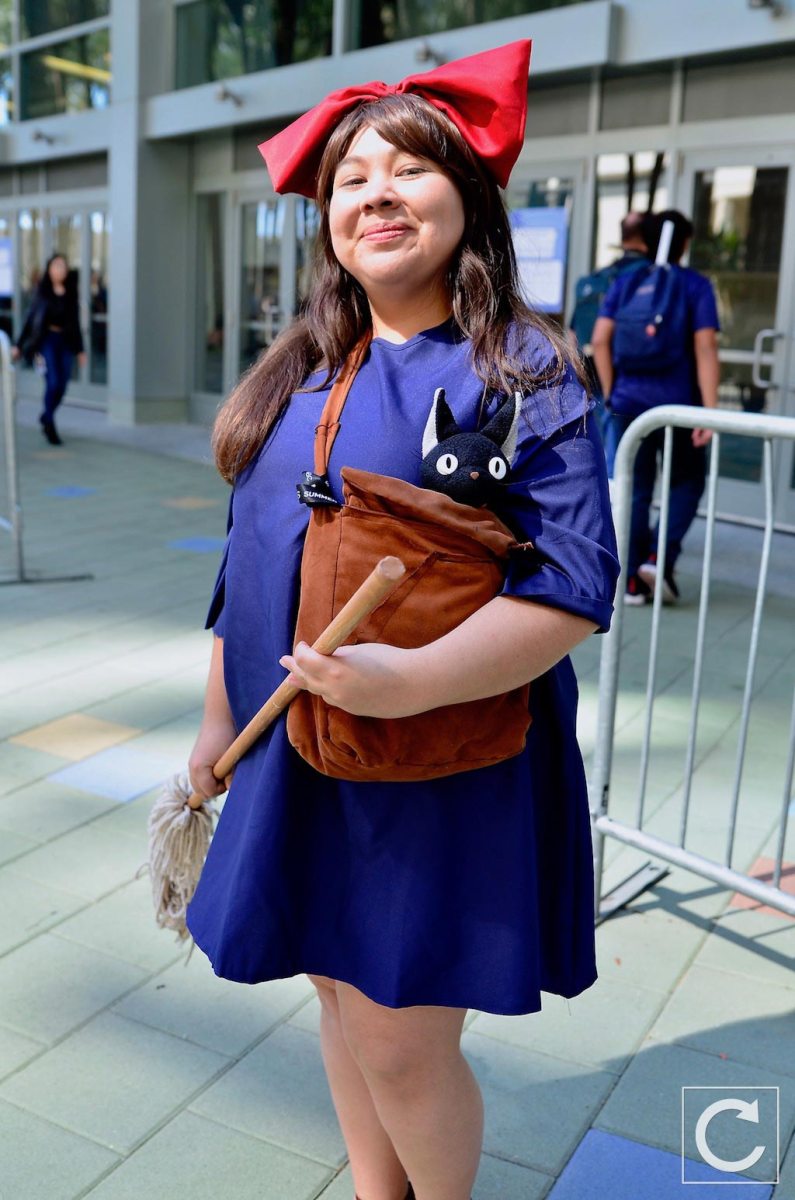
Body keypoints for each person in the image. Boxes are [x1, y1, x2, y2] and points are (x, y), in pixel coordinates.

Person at [185, 41, 619, 1200]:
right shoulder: (302, 370)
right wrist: (215, 721)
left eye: (406, 169)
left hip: (436, 762)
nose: (375, 194)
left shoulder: (521, 368)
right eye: (350, 179)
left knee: (399, 1036)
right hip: (293, 744)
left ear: (467, 196)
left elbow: (577, 579)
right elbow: (247, 567)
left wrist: (416, 681)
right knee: (333, 988)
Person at [591, 210, 720, 605]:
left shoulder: (627, 283)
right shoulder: (695, 285)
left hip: (631, 404)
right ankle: (657, 562)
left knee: (635, 490)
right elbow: (705, 347)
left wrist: (613, 394)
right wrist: (711, 410)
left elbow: (599, 340)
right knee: (686, 482)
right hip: (681, 407)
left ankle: (630, 580)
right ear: (685, 243)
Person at [567, 211, 650, 411]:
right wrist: (610, 389)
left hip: (590, 377)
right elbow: (600, 340)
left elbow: (572, 334)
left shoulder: (598, 278)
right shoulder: (648, 278)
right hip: (627, 385)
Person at [11, 253, 86, 445]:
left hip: (66, 341)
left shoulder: (70, 293)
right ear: (49, 269)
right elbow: (30, 320)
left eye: (63, 266)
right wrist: (19, 345)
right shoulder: (42, 292)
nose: (60, 270)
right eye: (56, 266)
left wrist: (80, 350)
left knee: (62, 384)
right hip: (45, 342)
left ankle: (46, 415)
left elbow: (75, 322)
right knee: (52, 381)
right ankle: (50, 424)